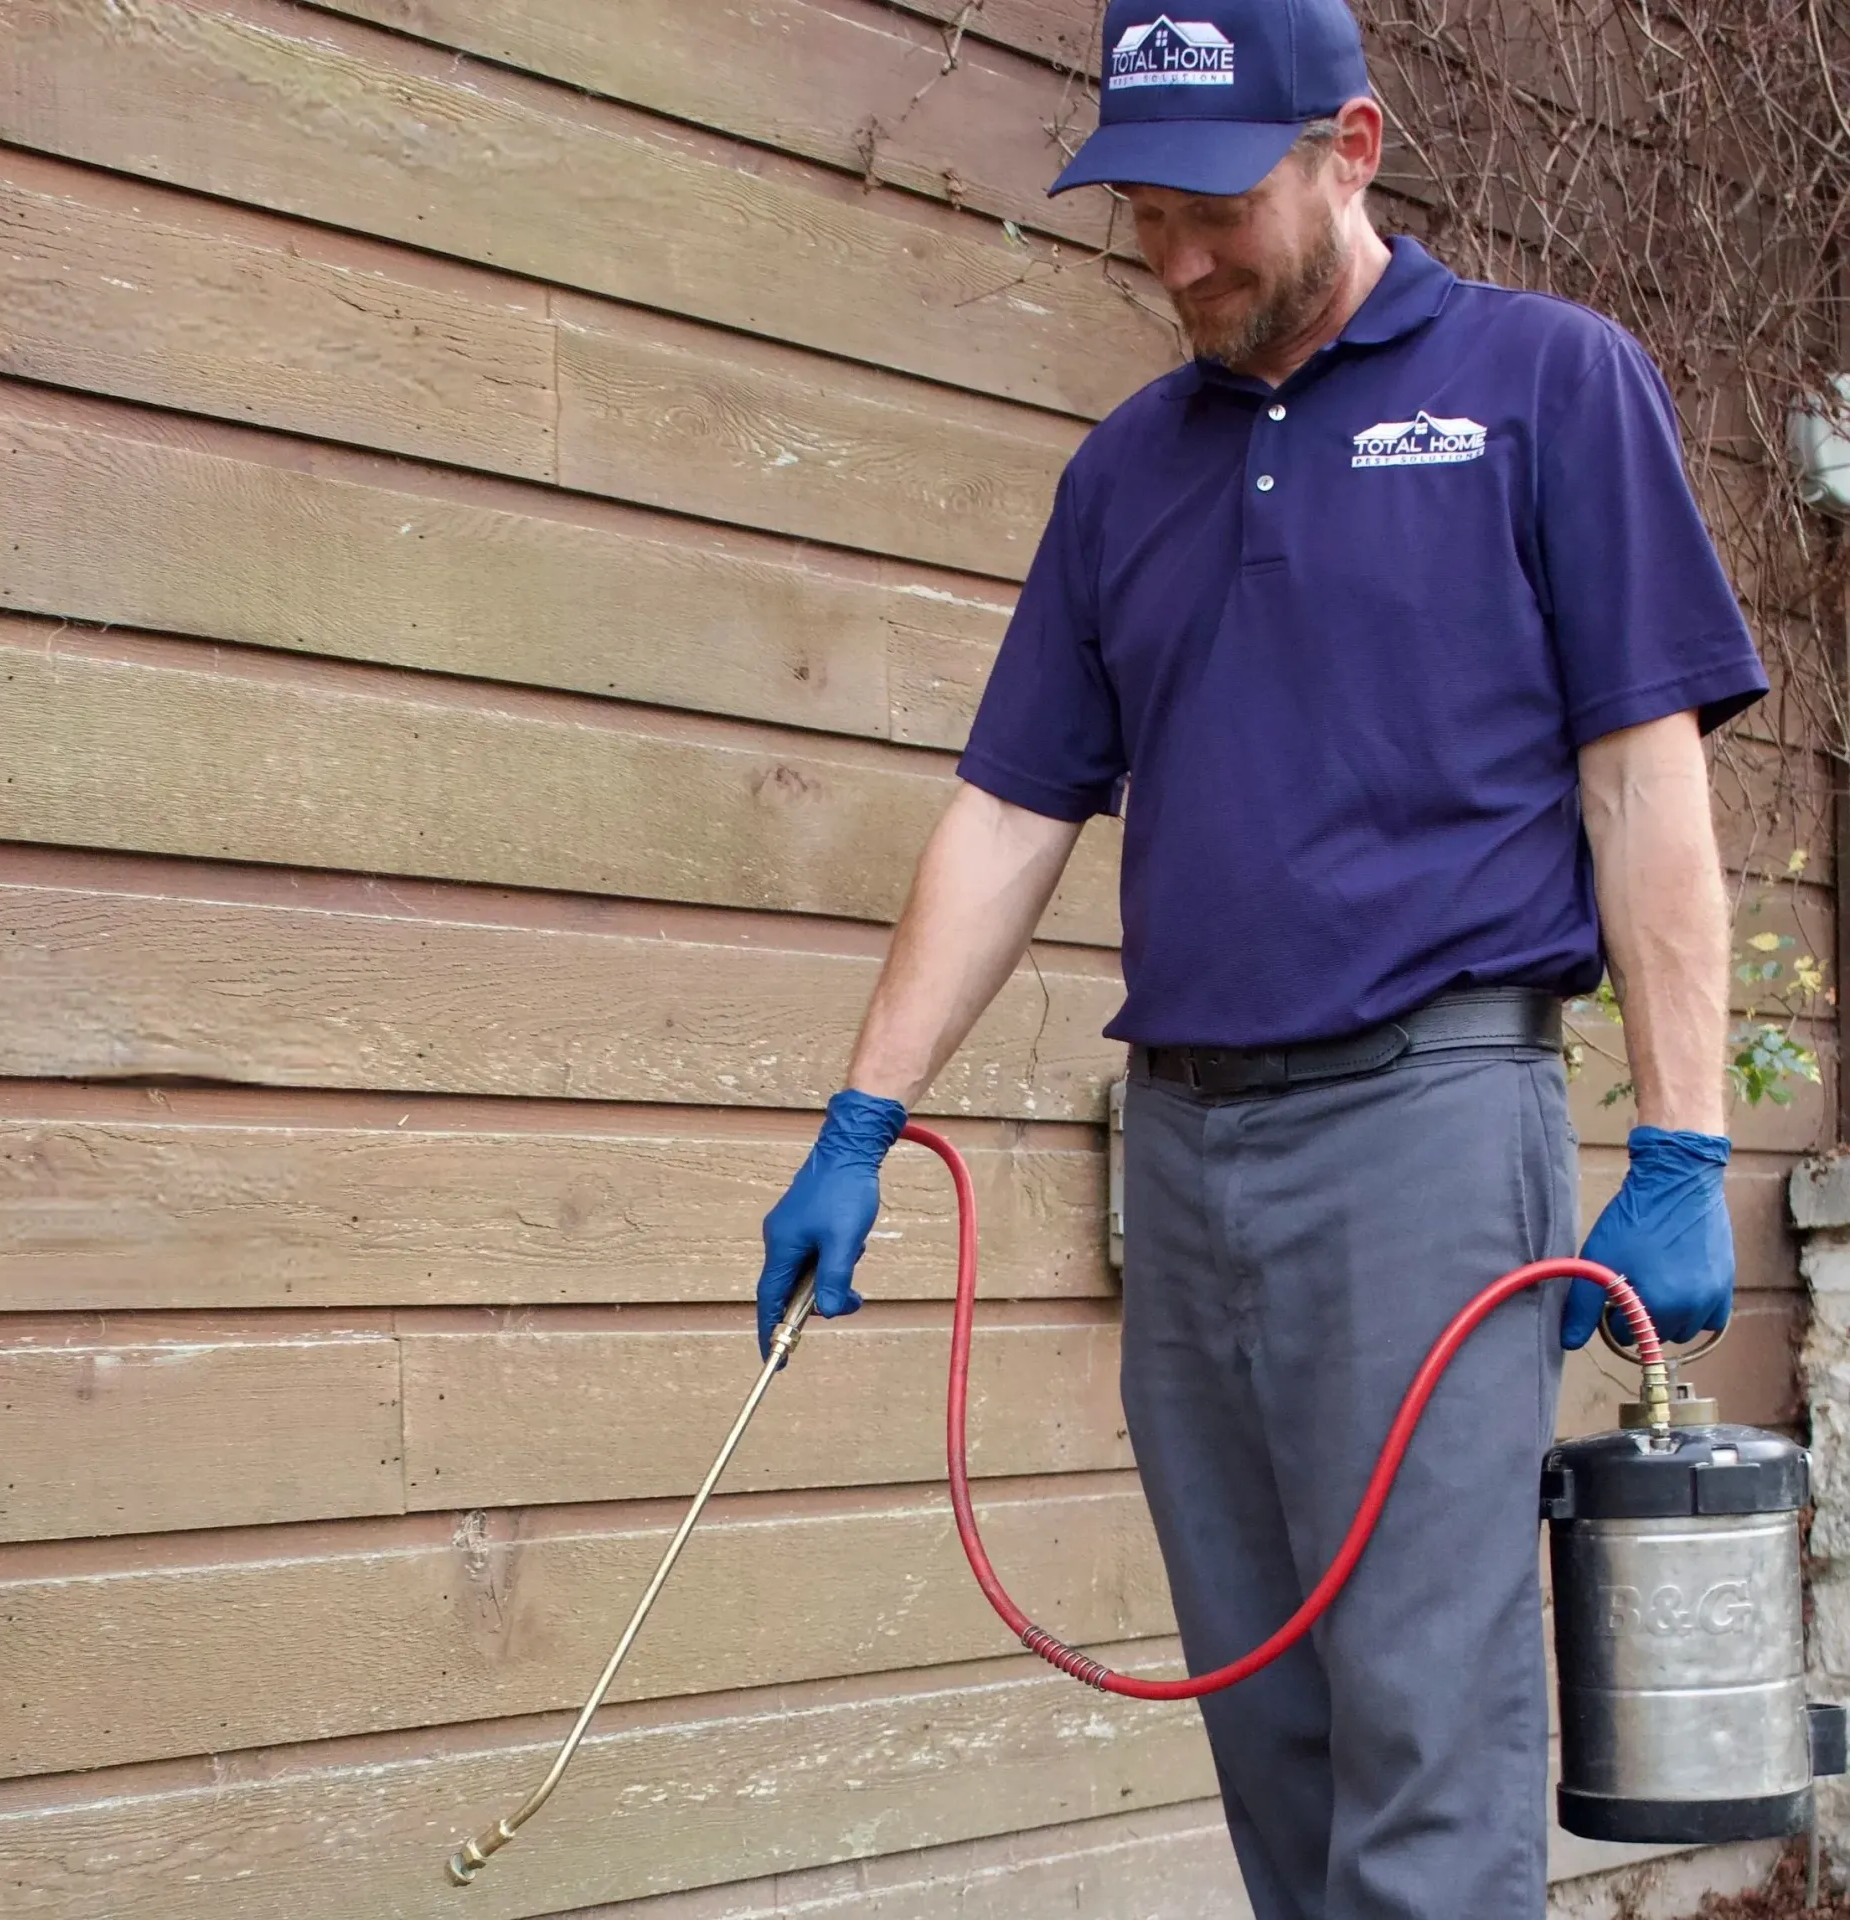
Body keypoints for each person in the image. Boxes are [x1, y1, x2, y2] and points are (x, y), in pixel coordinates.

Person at [753, 0, 1768, 1912]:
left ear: (1352, 146)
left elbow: (1646, 793)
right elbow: (1009, 810)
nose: (1180, 255)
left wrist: (1687, 1144)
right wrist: (861, 1114)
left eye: (1214, 205)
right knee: (1270, 1724)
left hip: (1430, 1131)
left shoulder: (1552, 385)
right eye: (1142, 213)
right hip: (1189, 1155)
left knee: (1425, 1731)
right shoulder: (1124, 472)